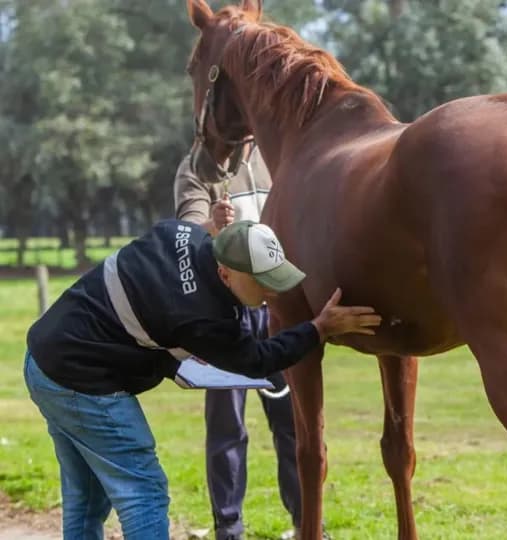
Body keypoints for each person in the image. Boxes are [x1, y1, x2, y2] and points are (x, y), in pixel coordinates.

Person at [24, 219, 381, 540]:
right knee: (144, 490)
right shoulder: (205, 317)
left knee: (86, 498)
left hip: (44, 360)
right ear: (226, 273)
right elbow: (259, 360)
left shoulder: (181, 231)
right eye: (262, 283)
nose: (272, 292)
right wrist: (320, 328)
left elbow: (165, 282)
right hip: (79, 381)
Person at [175, 148, 304, 540]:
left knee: (293, 424)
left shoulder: (279, 155)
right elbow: (189, 235)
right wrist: (212, 227)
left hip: (279, 304)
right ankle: (229, 530)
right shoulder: (198, 168)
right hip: (226, 310)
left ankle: (307, 523)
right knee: (227, 425)